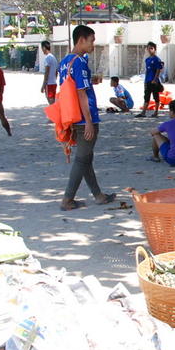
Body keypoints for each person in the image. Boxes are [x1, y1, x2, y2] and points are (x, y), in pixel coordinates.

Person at [57, 25, 115, 211]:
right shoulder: (80, 62)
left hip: (72, 116)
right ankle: (67, 199)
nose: (93, 44)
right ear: (81, 40)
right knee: (82, 159)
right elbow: (81, 93)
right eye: (91, 40)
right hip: (84, 118)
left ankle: (99, 196)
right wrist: (89, 121)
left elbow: (72, 88)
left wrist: (91, 81)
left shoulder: (65, 61)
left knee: (86, 157)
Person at [135, 41, 164, 118]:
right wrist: (145, 81)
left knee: (156, 97)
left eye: (151, 48)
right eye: (148, 48)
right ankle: (143, 112)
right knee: (146, 97)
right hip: (147, 81)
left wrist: (155, 79)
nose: (149, 50)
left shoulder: (157, 59)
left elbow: (158, 70)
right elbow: (147, 71)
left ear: (154, 49)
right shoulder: (147, 60)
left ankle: (156, 112)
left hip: (154, 81)